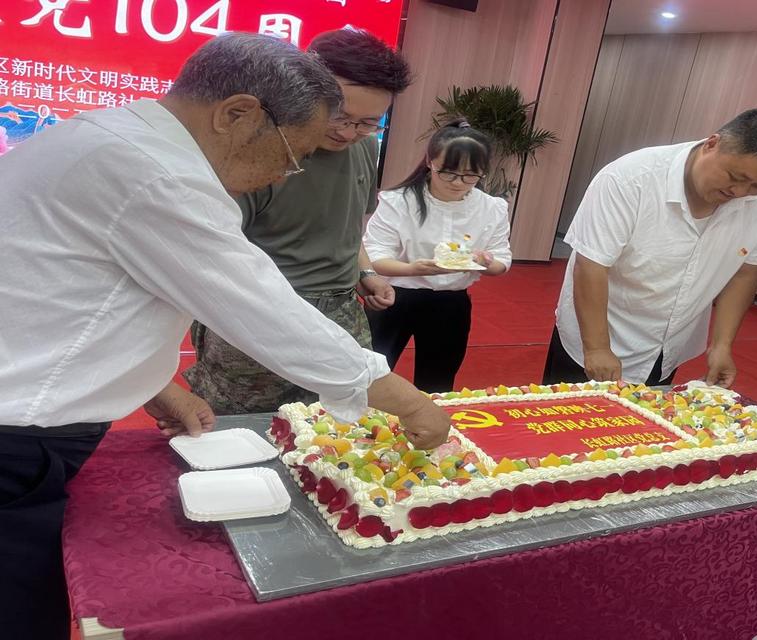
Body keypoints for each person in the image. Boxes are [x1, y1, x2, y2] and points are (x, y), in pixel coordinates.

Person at [0, 33, 449, 640]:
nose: (286, 175)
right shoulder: (157, 176)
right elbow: (257, 304)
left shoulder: (106, 136)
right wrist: (406, 398)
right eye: (290, 155)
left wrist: (159, 388)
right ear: (236, 113)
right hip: (16, 439)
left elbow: (80, 303)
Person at [184, 28, 412, 414]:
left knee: (341, 424)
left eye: (367, 122)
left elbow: (347, 223)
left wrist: (365, 272)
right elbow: (218, 255)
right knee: (243, 427)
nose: (348, 131)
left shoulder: (363, 147)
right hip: (261, 311)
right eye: (339, 115)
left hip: (343, 312)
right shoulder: (257, 150)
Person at [542, 108, 757, 387]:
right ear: (711, 144)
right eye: (734, 177)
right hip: (595, 336)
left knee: (647, 427)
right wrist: (596, 348)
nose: (740, 193)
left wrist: (721, 345)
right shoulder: (630, 179)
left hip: (668, 347)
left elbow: (744, 272)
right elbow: (592, 265)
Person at [363, 120, 511, 392]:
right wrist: (413, 269)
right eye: (448, 173)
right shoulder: (399, 201)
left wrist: (485, 263)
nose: (458, 183)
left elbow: (502, 259)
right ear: (430, 162)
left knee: (438, 381)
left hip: (450, 304)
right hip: (394, 297)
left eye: (470, 175)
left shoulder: (492, 208)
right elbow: (374, 256)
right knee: (371, 375)